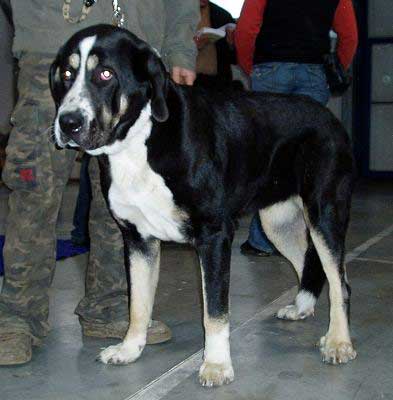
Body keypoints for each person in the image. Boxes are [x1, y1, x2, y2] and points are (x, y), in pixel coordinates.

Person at [0, 0, 199, 365]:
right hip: (50, 46)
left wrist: (180, 47)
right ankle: (17, 317)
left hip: (130, 59)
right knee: (34, 192)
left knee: (124, 200)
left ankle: (108, 307)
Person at [235, 0, 358, 257]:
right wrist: (336, 69)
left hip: (270, 70)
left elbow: (246, 29)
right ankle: (311, 236)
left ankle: (263, 240)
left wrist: (253, 68)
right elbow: (350, 35)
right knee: (308, 160)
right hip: (313, 74)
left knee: (268, 156)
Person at [194, 0, 236, 86]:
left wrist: (231, 44)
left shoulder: (222, 15)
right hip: (190, 81)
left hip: (219, 82)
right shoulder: (177, 16)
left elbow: (233, 59)